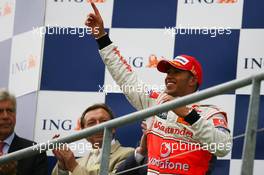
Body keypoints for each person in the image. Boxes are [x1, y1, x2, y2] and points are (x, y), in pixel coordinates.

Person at [85, 3, 232, 175]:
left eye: (176, 72)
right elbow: (123, 74)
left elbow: (222, 147)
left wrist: (187, 114)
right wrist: (101, 36)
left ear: (193, 80)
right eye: (168, 72)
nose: (169, 76)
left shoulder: (211, 113)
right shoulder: (155, 101)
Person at [51, 103, 134, 175]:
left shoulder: (128, 154)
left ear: (113, 128)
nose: (98, 126)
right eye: (91, 123)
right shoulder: (78, 162)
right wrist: (63, 167)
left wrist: (73, 166)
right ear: (83, 132)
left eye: (104, 121)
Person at [0, 89, 48, 175]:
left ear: (15, 114)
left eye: (9, 111)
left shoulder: (34, 152)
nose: (5, 116)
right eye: (0, 111)